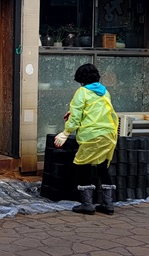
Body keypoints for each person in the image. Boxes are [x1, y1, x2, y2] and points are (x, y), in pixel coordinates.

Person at [54, 63, 118, 215]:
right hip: (109, 134)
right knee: (102, 166)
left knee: (83, 164)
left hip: (92, 135)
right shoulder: (104, 92)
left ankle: (87, 205)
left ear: (80, 78)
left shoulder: (82, 92)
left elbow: (76, 117)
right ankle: (108, 205)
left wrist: (66, 132)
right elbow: (98, 110)